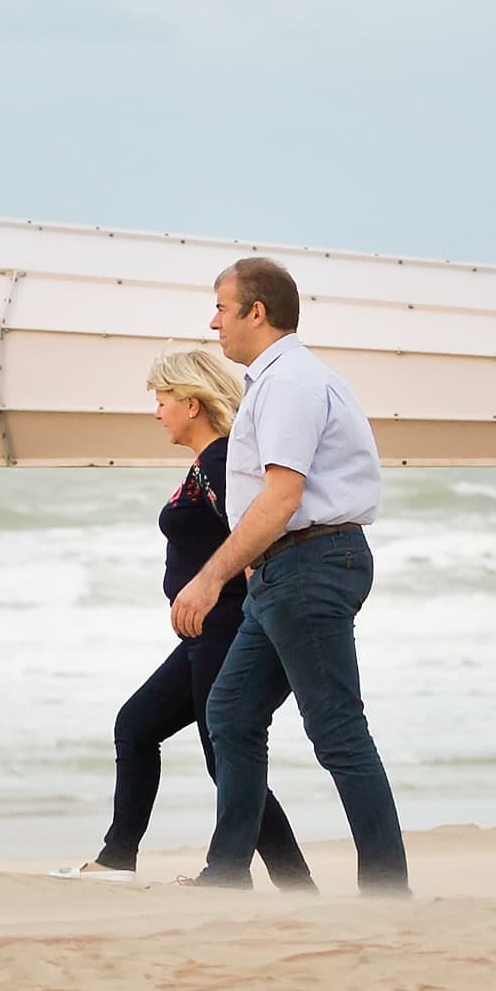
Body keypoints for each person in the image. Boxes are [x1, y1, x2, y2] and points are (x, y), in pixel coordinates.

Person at [173, 256, 411, 895]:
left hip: (309, 563)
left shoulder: (291, 383)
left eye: (222, 308)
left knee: (336, 730)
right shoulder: (276, 382)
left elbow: (282, 497)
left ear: (258, 312)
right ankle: (227, 874)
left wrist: (209, 578)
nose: (213, 322)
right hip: (287, 572)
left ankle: (389, 892)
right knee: (230, 711)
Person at [62, 350, 313, 886]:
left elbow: (256, 534)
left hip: (227, 631)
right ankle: (116, 859)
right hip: (207, 634)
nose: (156, 412)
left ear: (192, 404)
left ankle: (289, 884)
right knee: (137, 725)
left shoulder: (222, 461)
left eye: (162, 400)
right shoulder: (208, 463)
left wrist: (251, 609)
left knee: (225, 760)